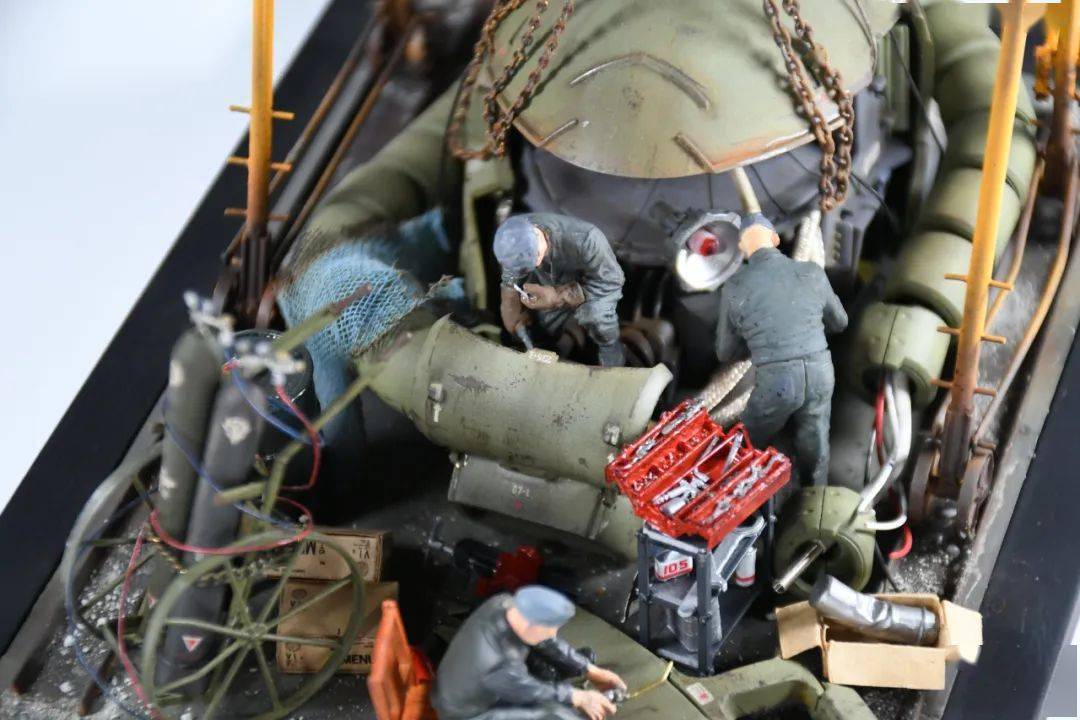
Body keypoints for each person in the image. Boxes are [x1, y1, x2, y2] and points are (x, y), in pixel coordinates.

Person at [715, 214, 848, 486]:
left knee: (748, 440)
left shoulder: (734, 288)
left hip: (777, 380)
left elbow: (725, 352)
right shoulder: (812, 272)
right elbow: (840, 322)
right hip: (820, 371)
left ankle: (736, 490)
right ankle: (815, 495)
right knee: (815, 437)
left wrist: (760, 343)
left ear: (741, 248)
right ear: (775, 239)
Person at [432, 585, 626, 720]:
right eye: (549, 629)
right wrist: (578, 697)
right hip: (468, 713)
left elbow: (546, 642)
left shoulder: (504, 605)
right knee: (556, 715)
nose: (553, 635)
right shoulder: (494, 661)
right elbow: (527, 689)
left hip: (479, 685)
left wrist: (589, 670)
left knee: (546, 662)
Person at [495, 214, 625, 367]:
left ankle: (611, 349)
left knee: (596, 317)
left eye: (536, 256)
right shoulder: (513, 236)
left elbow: (612, 279)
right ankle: (547, 352)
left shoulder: (587, 239)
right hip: (551, 282)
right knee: (541, 324)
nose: (536, 264)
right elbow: (510, 274)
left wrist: (559, 295)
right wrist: (510, 300)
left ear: (537, 233)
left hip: (594, 284)